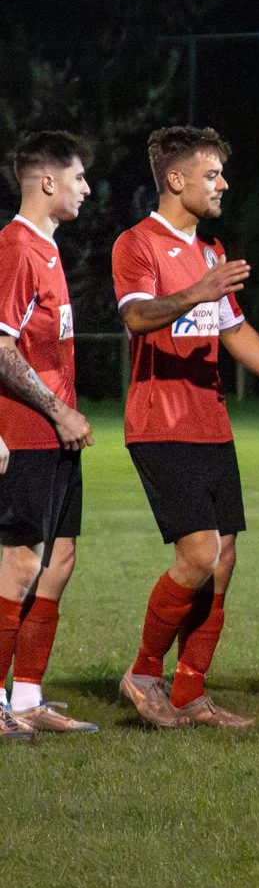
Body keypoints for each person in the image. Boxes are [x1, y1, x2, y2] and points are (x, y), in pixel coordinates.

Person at [116, 125, 259, 730]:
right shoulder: (137, 243)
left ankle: (189, 691)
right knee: (200, 554)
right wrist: (195, 291)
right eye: (212, 175)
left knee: (224, 558)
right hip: (160, 421)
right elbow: (137, 317)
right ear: (176, 179)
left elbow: (232, 327)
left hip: (211, 421)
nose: (223, 184)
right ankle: (143, 673)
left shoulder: (211, 250)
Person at [0, 133, 99, 738]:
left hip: (56, 434)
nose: (86, 189)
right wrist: (57, 411)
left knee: (59, 561)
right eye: (79, 178)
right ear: (47, 182)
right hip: (28, 433)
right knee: (19, 564)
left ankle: (29, 697)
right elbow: (0, 348)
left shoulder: (48, 248)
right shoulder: (15, 248)